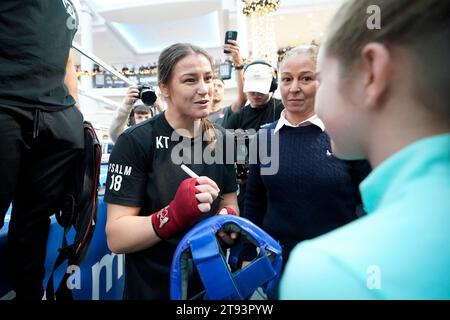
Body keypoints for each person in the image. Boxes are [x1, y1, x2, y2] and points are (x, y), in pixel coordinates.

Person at [281, 0, 450, 299]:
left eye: (318, 77)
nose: (297, 89)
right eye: (286, 80)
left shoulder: (329, 271)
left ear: (370, 73)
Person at [104, 43, 239, 299]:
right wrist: (172, 215)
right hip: (152, 289)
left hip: (210, 286)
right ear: (164, 88)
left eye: (208, 78)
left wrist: (227, 220)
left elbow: (230, 201)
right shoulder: (136, 141)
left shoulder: (223, 139)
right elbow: (116, 237)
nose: (204, 89)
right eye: (190, 80)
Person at [244, 45, 370, 298]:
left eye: (306, 78)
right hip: (279, 264)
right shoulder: (264, 137)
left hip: (338, 263)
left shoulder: (347, 131)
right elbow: (254, 199)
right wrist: (248, 254)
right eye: (287, 79)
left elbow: (370, 199)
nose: (294, 88)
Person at [0, 0, 84, 300]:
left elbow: (67, 59)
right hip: (7, 104)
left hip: (55, 117)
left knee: (33, 227)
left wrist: (73, 109)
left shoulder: (67, 6)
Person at [223, 60, 284, 215]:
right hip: (249, 188)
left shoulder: (284, 110)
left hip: (279, 186)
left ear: (271, 86)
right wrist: (238, 168)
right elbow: (227, 151)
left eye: (260, 90)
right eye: (252, 90)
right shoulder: (237, 118)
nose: (256, 94)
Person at [208, 40, 247, 126]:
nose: (216, 89)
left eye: (219, 86)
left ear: (223, 92)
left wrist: (238, 64)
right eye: (213, 85)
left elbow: (243, 98)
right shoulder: (197, 115)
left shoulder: (227, 112)